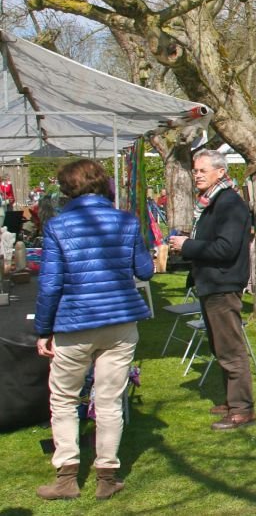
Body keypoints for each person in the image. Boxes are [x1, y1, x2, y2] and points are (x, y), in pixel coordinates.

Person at [34, 159, 154, 500]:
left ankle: (67, 476)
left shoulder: (59, 226)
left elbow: (50, 285)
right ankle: (107, 475)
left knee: (64, 399)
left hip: (75, 323)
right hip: (119, 321)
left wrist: (43, 330)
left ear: (67, 189)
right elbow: (144, 271)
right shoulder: (127, 222)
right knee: (109, 401)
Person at [168, 150, 255, 431]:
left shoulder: (229, 203)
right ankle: (232, 401)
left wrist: (187, 246)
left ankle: (242, 409)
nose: (198, 174)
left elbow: (225, 248)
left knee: (231, 349)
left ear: (220, 172)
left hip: (223, 283)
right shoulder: (213, 201)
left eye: (203, 170)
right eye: (195, 170)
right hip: (211, 282)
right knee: (220, 346)